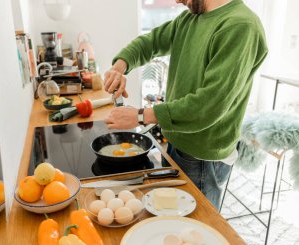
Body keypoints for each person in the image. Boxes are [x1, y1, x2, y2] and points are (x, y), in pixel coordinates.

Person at [103, 0, 268, 210]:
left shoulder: (240, 26)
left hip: (202, 155)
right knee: (172, 215)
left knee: (198, 227)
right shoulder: (191, 17)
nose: (177, 1)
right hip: (177, 137)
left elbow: (209, 106)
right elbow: (151, 42)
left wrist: (140, 115)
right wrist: (119, 67)